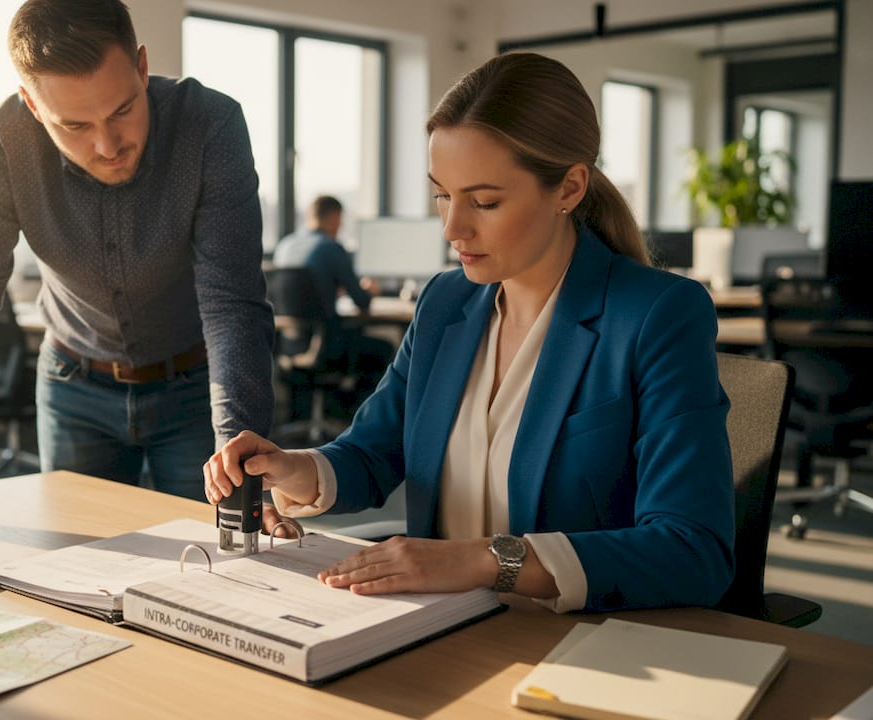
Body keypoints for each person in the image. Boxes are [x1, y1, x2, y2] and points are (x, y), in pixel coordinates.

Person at [204, 52, 736, 613]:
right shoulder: (445, 303)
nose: (453, 227)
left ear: (569, 188)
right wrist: (297, 468)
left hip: (575, 643)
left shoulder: (657, 315)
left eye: (484, 201)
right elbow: (372, 453)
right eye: (442, 195)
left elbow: (692, 551)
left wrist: (485, 560)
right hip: (438, 630)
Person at [0, 0, 277, 542]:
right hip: (74, 388)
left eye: (121, 111)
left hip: (196, 389)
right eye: (74, 125)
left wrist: (240, 445)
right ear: (32, 105)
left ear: (141, 67)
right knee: (77, 568)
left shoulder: (211, 124)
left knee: (215, 561)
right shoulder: (2, 140)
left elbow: (231, 303)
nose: (107, 146)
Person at [272, 196, 394, 418]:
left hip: (289, 345)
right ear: (335, 218)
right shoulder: (330, 247)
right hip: (327, 347)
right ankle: (357, 419)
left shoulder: (285, 246)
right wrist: (369, 290)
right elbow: (362, 301)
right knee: (384, 348)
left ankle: (312, 417)